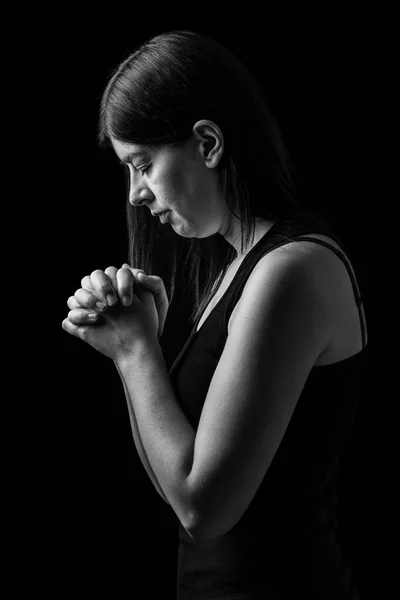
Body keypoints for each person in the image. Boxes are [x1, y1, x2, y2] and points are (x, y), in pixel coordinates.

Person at [62, 30, 368, 599]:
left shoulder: (290, 271)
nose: (135, 194)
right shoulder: (240, 265)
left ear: (207, 143)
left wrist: (134, 351)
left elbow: (203, 508)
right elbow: (172, 485)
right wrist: (137, 335)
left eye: (144, 163)